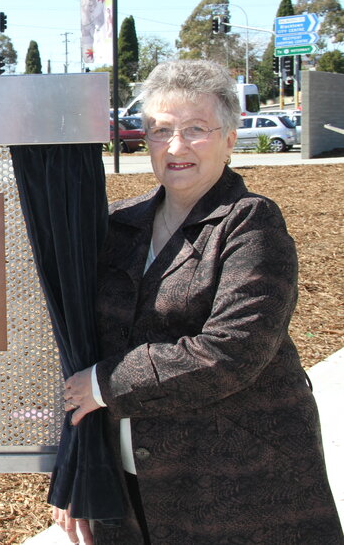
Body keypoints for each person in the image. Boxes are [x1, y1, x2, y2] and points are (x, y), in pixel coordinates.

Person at [53, 60, 343, 544]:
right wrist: (75, 473)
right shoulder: (116, 225)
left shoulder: (249, 224)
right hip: (127, 488)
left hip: (239, 490)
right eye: (161, 129)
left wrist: (105, 383)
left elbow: (232, 351)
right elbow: (75, 344)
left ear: (230, 138)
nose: (176, 145)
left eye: (195, 129)